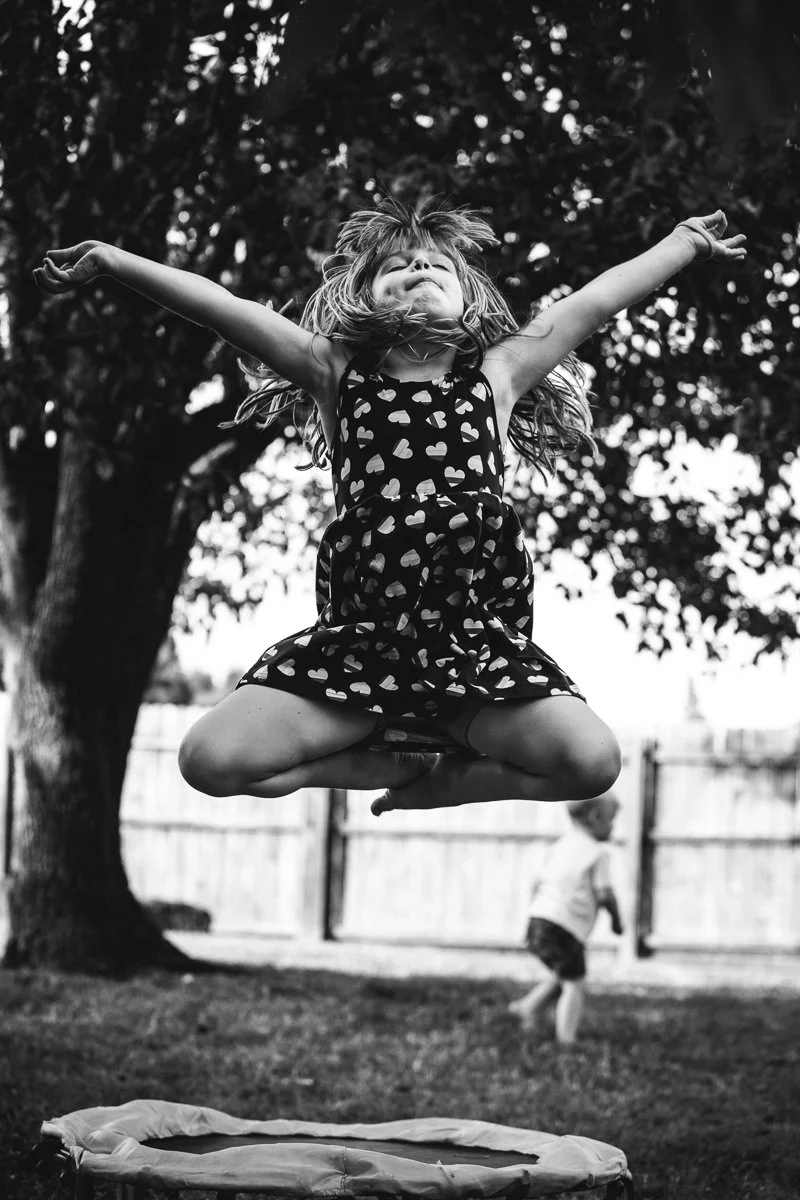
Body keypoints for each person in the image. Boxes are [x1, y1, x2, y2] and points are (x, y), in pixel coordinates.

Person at [34, 197, 746, 813]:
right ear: (363, 298)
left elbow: (593, 302)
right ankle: (374, 763)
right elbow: (226, 308)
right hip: (359, 651)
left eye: (438, 266)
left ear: (470, 301)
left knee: (593, 764)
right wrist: (115, 260)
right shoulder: (333, 373)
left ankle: (444, 784)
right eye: (398, 267)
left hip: (471, 651)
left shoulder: (497, 376)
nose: (419, 270)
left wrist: (684, 244)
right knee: (207, 761)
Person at [508, 792, 622, 1045]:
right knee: (574, 984)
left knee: (564, 974)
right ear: (595, 817)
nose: (614, 826)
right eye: (611, 820)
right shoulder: (597, 853)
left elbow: (536, 883)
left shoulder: (560, 846)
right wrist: (617, 920)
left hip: (539, 920)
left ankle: (527, 1007)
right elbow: (605, 894)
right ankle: (567, 1039)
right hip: (563, 927)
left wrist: (532, 916)